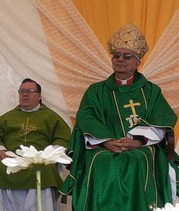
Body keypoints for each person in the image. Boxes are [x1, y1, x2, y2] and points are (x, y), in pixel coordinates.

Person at [59, 23, 179, 210]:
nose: (120, 59)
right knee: (101, 160)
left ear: (138, 62)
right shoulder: (96, 91)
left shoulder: (151, 91)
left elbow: (162, 119)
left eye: (127, 56)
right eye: (116, 55)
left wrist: (138, 141)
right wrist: (107, 140)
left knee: (138, 159)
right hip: (103, 146)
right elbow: (86, 117)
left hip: (143, 147)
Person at [0, 78, 71, 211]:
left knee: (44, 169)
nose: (25, 94)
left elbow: (63, 137)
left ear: (39, 96)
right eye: (22, 91)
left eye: (29, 91)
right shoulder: (7, 118)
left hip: (40, 160)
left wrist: (50, 156)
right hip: (11, 159)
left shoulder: (52, 117)